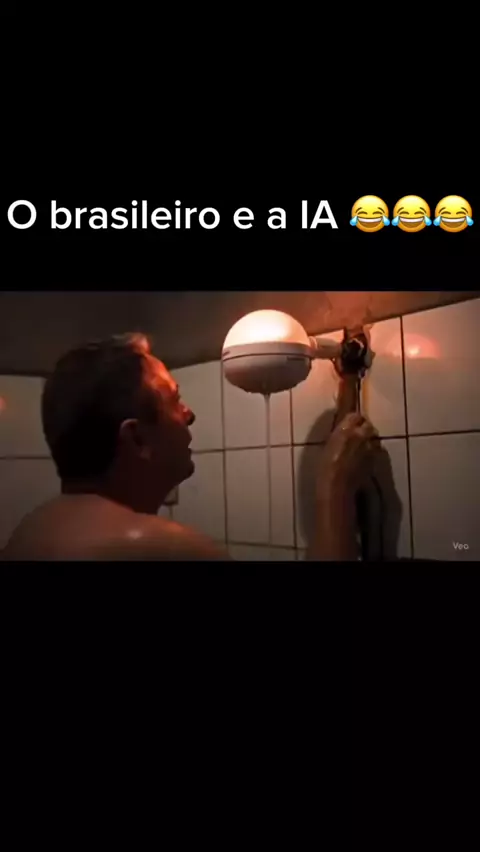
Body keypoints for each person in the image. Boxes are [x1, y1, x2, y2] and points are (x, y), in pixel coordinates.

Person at [1, 332, 378, 561]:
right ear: (136, 439)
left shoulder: (30, 532)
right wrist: (334, 490)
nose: (189, 414)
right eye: (175, 400)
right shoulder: (153, 547)